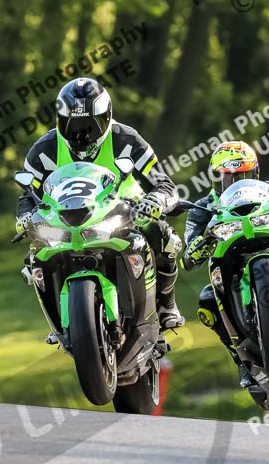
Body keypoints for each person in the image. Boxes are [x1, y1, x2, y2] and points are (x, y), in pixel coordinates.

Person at [16, 76, 185, 330]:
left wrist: (156, 201)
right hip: (66, 220)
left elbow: (164, 184)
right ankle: (58, 323)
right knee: (36, 256)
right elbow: (28, 195)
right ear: (60, 121)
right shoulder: (45, 149)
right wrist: (25, 216)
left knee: (162, 234)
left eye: (90, 125)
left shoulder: (128, 140)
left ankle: (166, 304)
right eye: (73, 126)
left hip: (125, 212)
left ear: (106, 117)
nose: (82, 134)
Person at [183, 140, 269, 388]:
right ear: (216, 178)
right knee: (207, 301)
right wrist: (201, 242)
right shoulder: (203, 206)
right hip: (232, 260)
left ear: (255, 173)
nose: (235, 183)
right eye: (227, 177)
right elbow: (188, 255)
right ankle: (242, 360)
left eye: (242, 175)